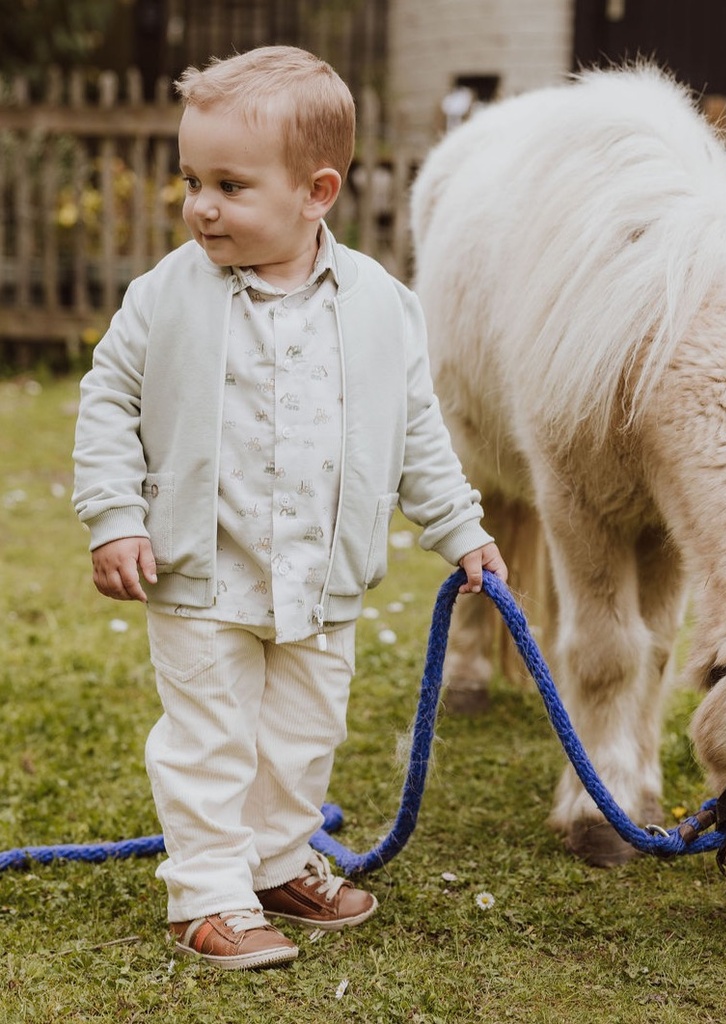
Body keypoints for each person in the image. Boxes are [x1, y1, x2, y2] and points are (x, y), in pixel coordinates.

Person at [72, 45, 507, 971]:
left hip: (320, 578)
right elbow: (108, 398)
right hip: (199, 570)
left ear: (318, 192)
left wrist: (460, 528)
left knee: (302, 737)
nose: (201, 205)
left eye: (229, 185)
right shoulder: (164, 296)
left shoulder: (383, 306)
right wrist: (115, 514)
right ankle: (207, 894)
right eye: (192, 180)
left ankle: (274, 866)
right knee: (210, 739)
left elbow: (417, 430)